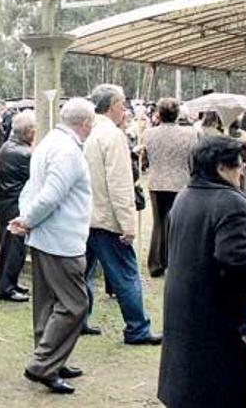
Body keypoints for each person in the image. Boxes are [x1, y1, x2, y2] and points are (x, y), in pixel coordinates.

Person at [159, 135, 246, 408]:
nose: (243, 169)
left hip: (191, 308)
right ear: (221, 168)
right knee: (226, 390)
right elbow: (236, 258)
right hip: (223, 314)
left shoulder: (186, 195)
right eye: (240, 164)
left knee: (198, 386)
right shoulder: (229, 201)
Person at [7, 98, 96, 395]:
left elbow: (33, 189)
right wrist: (28, 220)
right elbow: (49, 196)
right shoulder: (68, 151)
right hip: (61, 239)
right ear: (84, 124)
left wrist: (26, 219)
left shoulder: (48, 142)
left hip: (47, 235)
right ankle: (43, 364)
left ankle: (51, 358)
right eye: (92, 123)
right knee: (74, 304)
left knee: (47, 302)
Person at [81, 85, 161, 345]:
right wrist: (128, 224)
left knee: (82, 274)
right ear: (112, 105)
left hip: (85, 217)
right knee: (126, 274)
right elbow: (119, 184)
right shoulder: (112, 136)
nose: (125, 110)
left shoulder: (86, 131)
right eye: (122, 104)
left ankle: (78, 319)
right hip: (107, 220)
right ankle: (137, 328)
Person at [142, 98, 199, 277]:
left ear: (159, 113)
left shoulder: (149, 133)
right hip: (181, 182)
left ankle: (156, 263)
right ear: (177, 114)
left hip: (156, 181)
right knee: (178, 223)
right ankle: (177, 262)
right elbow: (193, 159)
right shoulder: (190, 134)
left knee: (159, 222)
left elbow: (146, 159)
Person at [0, 111, 34, 302]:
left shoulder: (9, 147)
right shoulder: (22, 153)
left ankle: (10, 283)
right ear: (28, 132)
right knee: (12, 250)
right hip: (13, 205)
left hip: (7, 204)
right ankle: (5, 288)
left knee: (13, 248)